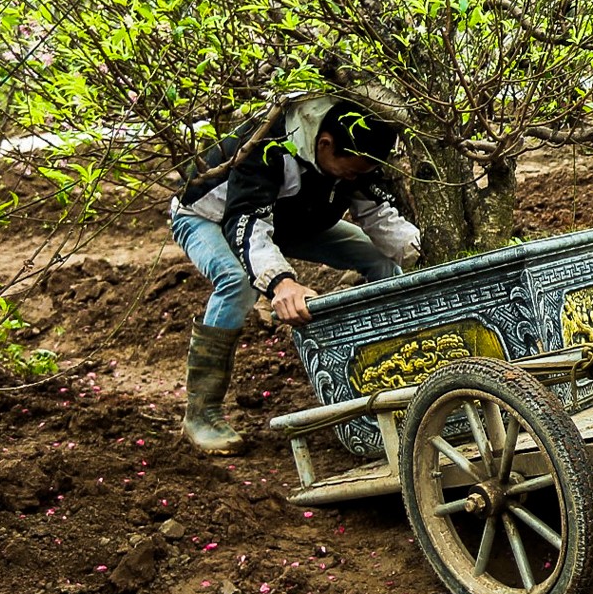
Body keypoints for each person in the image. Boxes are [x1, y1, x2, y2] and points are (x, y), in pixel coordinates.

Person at [168, 97, 421, 455]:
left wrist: (421, 256)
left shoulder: (361, 146)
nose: (354, 178)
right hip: (211, 216)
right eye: (349, 171)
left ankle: (396, 371)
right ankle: (202, 413)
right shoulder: (267, 145)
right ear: (324, 144)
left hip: (292, 222)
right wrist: (280, 282)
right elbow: (247, 224)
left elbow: (379, 216)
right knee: (237, 281)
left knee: (380, 259)